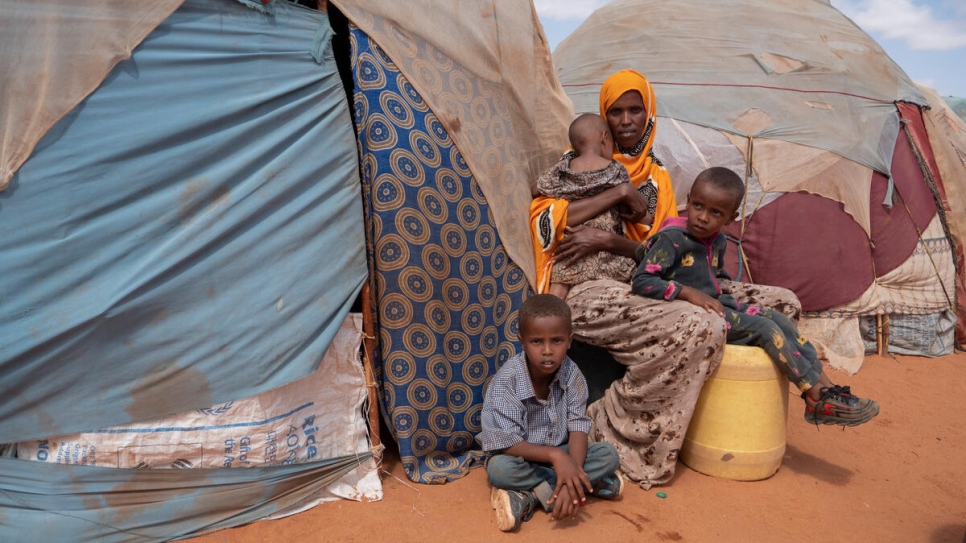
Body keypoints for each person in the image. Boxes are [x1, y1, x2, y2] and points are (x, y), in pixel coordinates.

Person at [528, 69, 802, 488]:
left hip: (655, 277)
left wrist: (610, 240)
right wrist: (616, 196)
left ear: (649, 113)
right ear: (602, 119)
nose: (625, 120)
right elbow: (547, 220)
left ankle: (713, 423)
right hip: (589, 286)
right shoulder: (571, 167)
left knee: (783, 302)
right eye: (615, 111)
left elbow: (666, 248)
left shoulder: (657, 177)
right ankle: (613, 428)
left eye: (635, 110)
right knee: (700, 322)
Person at [632, 167, 880, 426]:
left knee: (779, 319)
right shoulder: (672, 239)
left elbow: (714, 276)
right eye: (697, 205)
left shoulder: (717, 240)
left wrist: (719, 290)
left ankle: (827, 389)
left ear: (731, 218)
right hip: (689, 312)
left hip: (714, 305)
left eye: (715, 212)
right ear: (689, 198)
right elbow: (642, 280)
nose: (703, 217)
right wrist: (686, 292)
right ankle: (813, 393)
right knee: (764, 328)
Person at [479, 294, 623, 532]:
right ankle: (587, 485)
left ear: (569, 341)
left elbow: (578, 426)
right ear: (522, 342)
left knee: (608, 455)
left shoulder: (572, 374)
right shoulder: (508, 381)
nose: (547, 351)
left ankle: (533, 497)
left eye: (556, 341)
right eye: (537, 342)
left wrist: (569, 474)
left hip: (563, 456)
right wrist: (557, 458)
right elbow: (507, 442)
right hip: (521, 457)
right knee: (498, 470)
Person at [534, 113, 641, 299]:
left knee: (558, 285)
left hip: (570, 247)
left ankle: (549, 319)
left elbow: (538, 189)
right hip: (605, 253)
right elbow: (628, 208)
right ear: (604, 137)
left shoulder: (561, 169)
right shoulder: (615, 170)